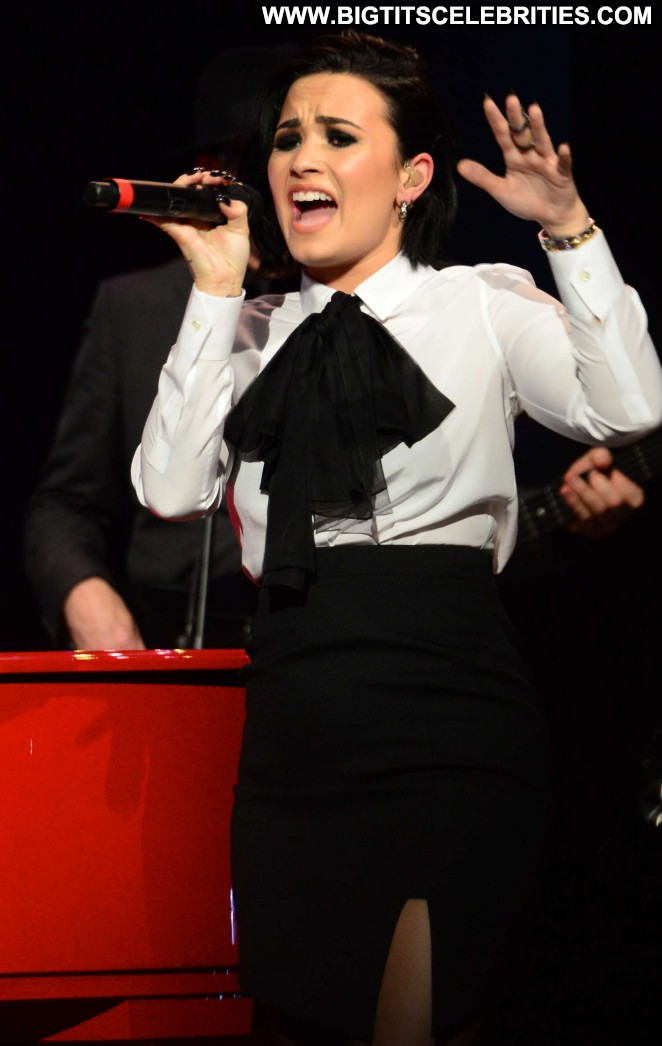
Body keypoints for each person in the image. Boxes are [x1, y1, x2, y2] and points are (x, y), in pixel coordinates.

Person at [129, 31, 662, 1046]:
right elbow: (168, 492)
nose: (303, 159)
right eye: (287, 138)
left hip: (445, 708)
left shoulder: (480, 303)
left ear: (411, 176)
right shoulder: (246, 330)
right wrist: (212, 290)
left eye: (338, 136)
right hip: (295, 722)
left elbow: (626, 407)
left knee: (411, 1020)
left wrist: (569, 230)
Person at [23, 45, 297, 651]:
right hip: (171, 633)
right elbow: (66, 503)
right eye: (246, 158)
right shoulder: (133, 306)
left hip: (307, 634)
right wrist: (83, 592)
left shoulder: (342, 300)